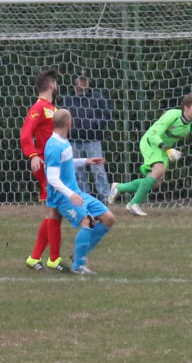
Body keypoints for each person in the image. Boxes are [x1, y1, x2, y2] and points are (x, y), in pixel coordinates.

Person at [107, 92, 192, 216]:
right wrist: (166, 148)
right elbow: (154, 134)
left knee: (155, 183)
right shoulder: (172, 115)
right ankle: (133, 204)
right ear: (186, 107)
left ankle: (119, 187)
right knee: (159, 169)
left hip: (163, 148)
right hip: (151, 142)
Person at [44, 109, 115, 274]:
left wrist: (85, 161)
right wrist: (71, 195)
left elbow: (65, 163)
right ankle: (78, 265)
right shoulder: (54, 146)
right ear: (69, 123)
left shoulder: (62, 141)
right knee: (88, 221)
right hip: (63, 197)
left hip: (75, 192)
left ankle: (78, 254)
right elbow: (52, 178)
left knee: (108, 219)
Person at [20, 70, 69, 273]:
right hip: (46, 165)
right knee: (54, 212)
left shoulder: (52, 108)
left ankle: (36, 258)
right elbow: (25, 134)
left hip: (57, 164)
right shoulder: (38, 108)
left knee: (54, 213)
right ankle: (53, 259)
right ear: (52, 85)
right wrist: (33, 155)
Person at [60, 75, 112, 201]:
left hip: (93, 139)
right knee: (77, 171)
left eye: (86, 80)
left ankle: (106, 197)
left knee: (98, 169)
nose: (84, 82)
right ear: (75, 81)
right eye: (81, 80)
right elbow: (61, 117)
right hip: (74, 140)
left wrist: (93, 124)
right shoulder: (68, 99)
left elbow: (107, 115)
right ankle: (84, 197)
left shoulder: (97, 97)